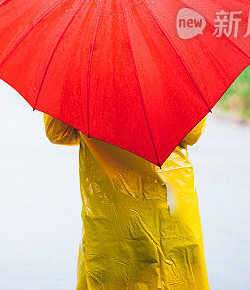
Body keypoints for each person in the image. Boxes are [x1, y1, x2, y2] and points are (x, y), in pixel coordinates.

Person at [44, 114, 210, 290]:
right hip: (169, 210)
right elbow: (192, 134)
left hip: (112, 218)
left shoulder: (87, 89)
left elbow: (58, 132)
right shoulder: (173, 85)